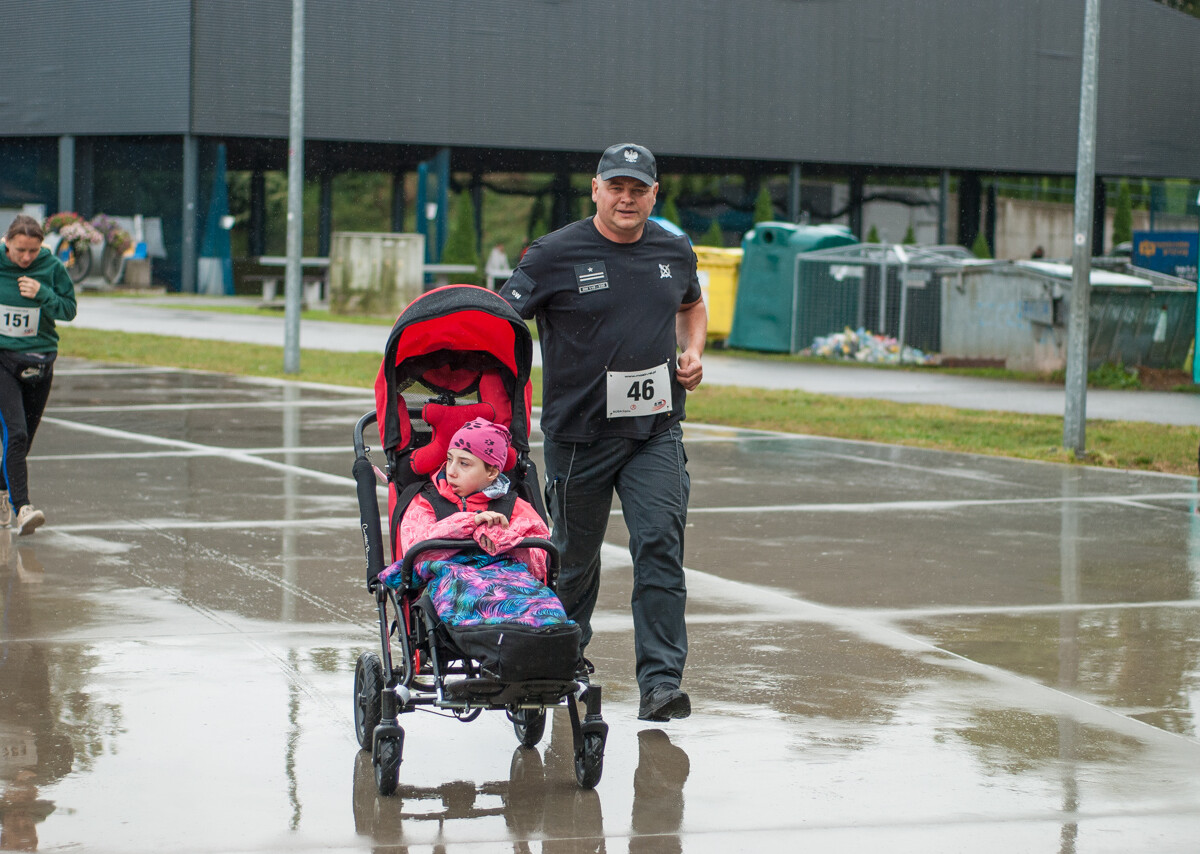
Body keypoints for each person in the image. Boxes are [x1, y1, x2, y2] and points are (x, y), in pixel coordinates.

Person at [502, 142, 707, 722]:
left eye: (637, 188)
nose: (626, 198)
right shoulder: (553, 255)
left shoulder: (674, 249)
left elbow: (692, 306)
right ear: (596, 189)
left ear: (653, 195)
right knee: (572, 562)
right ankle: (558, 664)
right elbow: (502, 319)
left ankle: (661, 684)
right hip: (579, 438)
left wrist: (691, 352)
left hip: (656, 433)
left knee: (660, 549)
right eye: (615, 187)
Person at [379, 419, 560, 625]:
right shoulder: (425, 501)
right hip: (452, 581)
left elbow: (540, 563)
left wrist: (503, 538)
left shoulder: (515, 507)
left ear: (492, 472)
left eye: (464, 463)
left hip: (511, 582)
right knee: (475, 595)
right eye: (449, 459)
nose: (452, 471)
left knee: (546, 610)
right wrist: (470, 523)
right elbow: (415, 548)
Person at [0, 216, 77, 535]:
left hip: (41, 360)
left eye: (33, 250)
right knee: (15, 434)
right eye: (20, 250)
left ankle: (3, 493)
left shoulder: (51, 267)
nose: (27, 257)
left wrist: (43, 293)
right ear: (7, 242)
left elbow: (69, 310)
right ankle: (23, 509)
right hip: (3, 359)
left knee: (23, 441)